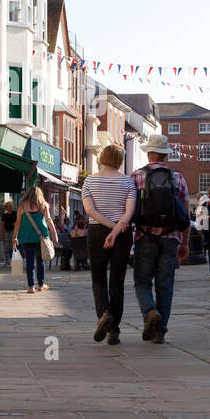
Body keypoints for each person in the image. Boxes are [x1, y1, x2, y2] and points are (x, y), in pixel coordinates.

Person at [130, 133, 190, 344]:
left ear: (149, 153)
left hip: (144, 236)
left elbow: (129, 211)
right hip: (171, 236)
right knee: (165, 285)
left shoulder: (136, 176)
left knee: (142, 282)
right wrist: (184, 243)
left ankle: (149, 312)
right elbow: (185, 216)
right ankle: (160, 332)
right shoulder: (178, 178)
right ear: (165, 155)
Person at [81, 144, 137, 346]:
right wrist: (116, 230)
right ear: (120, 160)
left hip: (97, 232)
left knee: (98, 278)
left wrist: (109, 228)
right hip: (122, 234)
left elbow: (90, 211)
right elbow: (129, 213)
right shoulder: (128, 182)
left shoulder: (89, 181)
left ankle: (104, 313)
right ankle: (114, 331)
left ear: (102, 158)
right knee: (117, 282)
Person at [14, 185, 58, 293]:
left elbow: (18, 223)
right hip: (41, 237)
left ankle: (31, 286)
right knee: (40, 261)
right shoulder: (43, 205)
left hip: (26, 236)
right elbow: (48, 220)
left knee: (29, 261)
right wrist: (54, 233)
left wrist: (15, 236)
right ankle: (41, 284)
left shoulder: (22, 205)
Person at [1, 199, 17, 264]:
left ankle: (15, 260)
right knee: (6, 247)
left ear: (12, 206)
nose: (8, 207)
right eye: (7, 206)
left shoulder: (15, 214)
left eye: (10, 206)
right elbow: (2, 225)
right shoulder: (4, 215)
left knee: (13, 247)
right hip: (6, 232)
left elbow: (18, 222)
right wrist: (1, 234)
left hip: (13, 232)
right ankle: (7, 261)